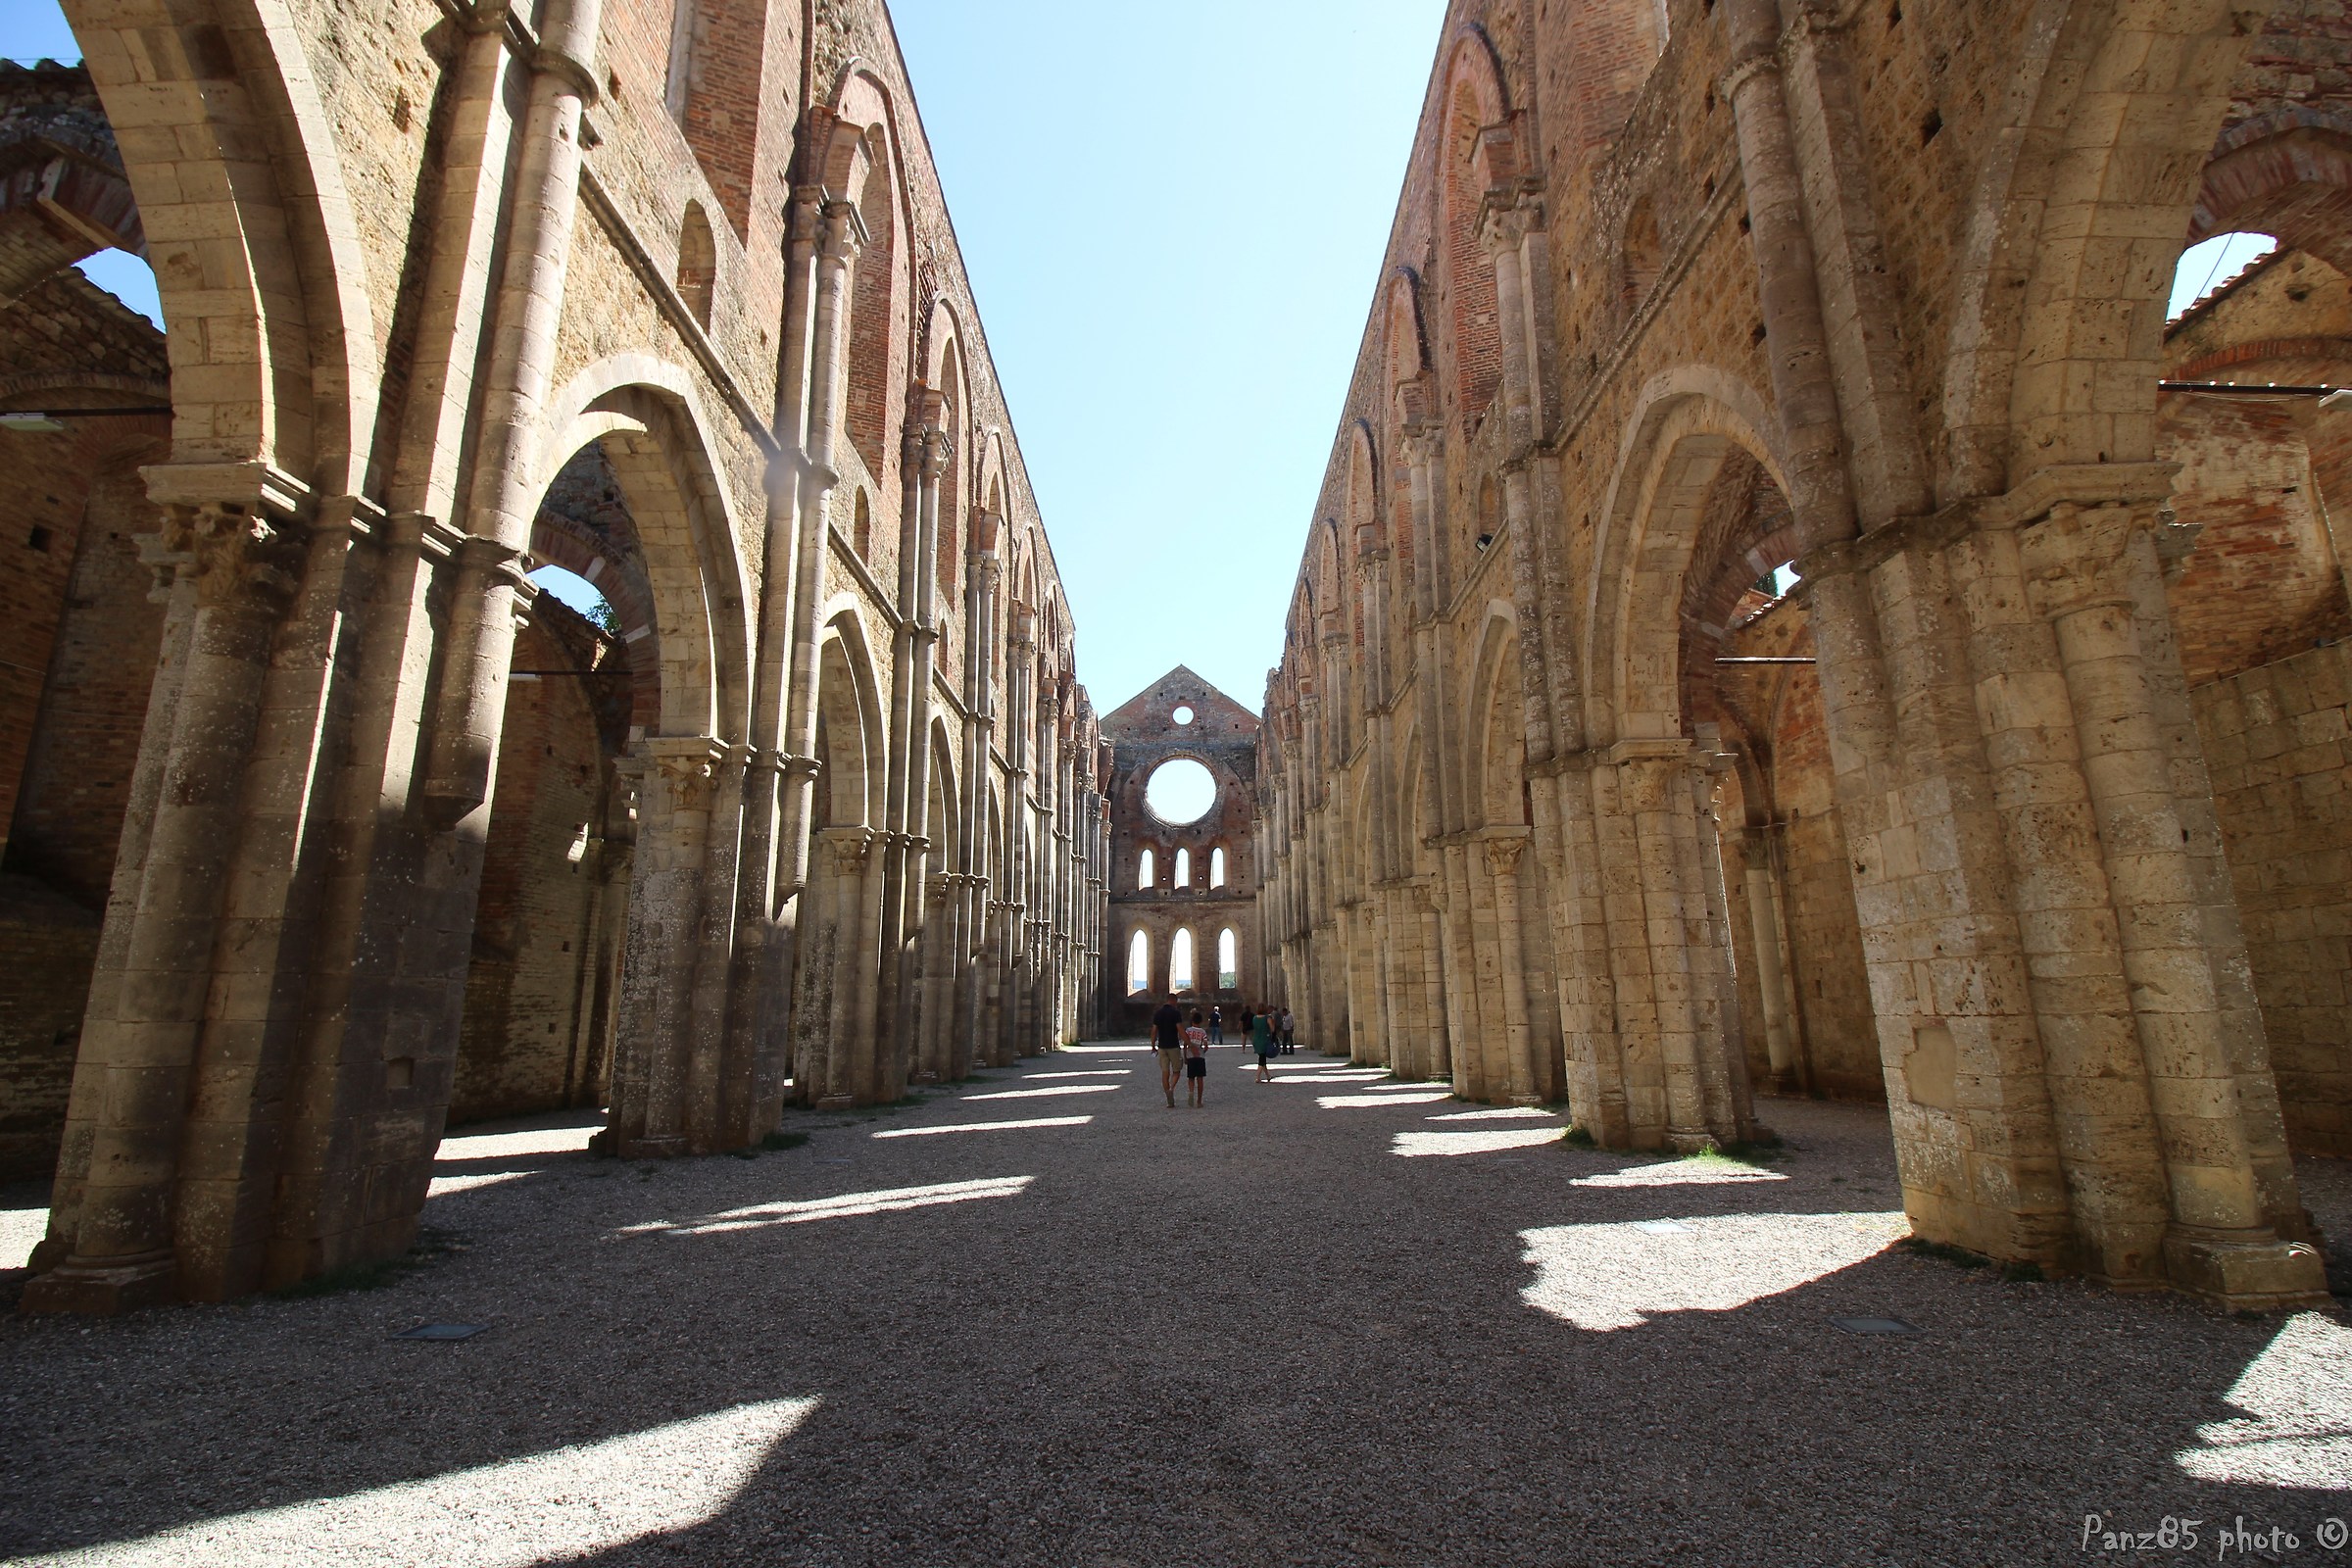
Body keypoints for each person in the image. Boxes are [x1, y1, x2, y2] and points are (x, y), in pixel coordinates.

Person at [1152, 992, 1184, 1107]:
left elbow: (1154, 1030)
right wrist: (1188, 1042)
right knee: (1176, 1071)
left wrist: (1152, 1045)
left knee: (1165, 1073)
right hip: (1173, 1046)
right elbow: (1180, 1029)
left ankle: (1168, 1097)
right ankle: (1171, 1088)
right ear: (1174, 1001)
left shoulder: (1158, 1013)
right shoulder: (1176, 1013)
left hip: (1162, 1046)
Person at [1182, 1008, 1209, 1107]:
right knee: (1200, 1078)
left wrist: (1185, 1056)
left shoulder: (1188, 1031)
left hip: (1190, 1057)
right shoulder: (1203, 1032)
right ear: (1201, 1021)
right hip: (1200, 1057)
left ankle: (1191, 1092)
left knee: (1191, 1077)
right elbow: (1206, 1045)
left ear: (1192, 1021)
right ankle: (1199, 1101)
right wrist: (1202, 1051)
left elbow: (1185, 1045)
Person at [1251, 1004, 1278, 1083]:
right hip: (1264, 1039)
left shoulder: (1254, 1018)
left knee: (1262, 1058)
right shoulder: (1267, 1018)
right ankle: (1257, 1077)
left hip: (1256, 1039)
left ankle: (1268, 1076)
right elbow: (1272, 1029)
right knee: (1262, 1059)